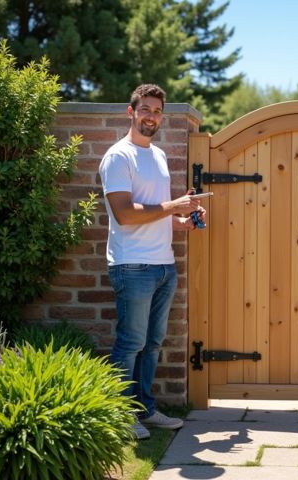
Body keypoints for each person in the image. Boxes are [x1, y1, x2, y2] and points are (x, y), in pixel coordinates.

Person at [99, 84, 205, 440]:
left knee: (154, 342)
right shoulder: (118, 157)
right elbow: (126, 215)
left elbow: (156, 212)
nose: (151, 116)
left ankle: (144, 409)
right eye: (144, 109)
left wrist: (182, 220)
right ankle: (120, 414)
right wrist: (173, 206)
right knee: (131, 342)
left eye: (157, 111)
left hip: (163, 264)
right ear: (131, 112)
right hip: (132, 266)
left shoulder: (157, 157)